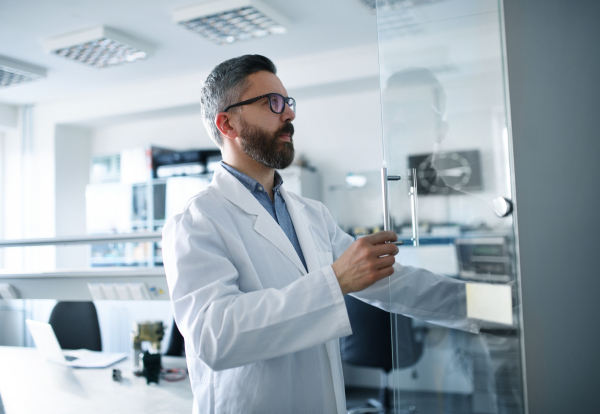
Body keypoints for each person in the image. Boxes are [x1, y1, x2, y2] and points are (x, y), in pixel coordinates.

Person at [162, 54, 480, 414]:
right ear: (228, 124)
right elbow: (215, 338)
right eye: (272, 103)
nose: (290, 115)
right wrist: (335, 281)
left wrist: (498, 307)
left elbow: (398, 285)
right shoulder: (196, 220)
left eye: (288, 102)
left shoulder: (311, 214)